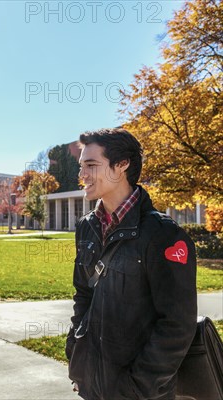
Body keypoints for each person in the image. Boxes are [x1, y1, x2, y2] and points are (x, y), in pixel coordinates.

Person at [66, 128, 197, 399]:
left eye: (91, 165)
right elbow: (83, 296)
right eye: (81, 166)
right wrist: (77, 362)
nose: (82, 175)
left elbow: (177, 324)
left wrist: (137, 388)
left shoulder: (164, 234)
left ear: (122, 165)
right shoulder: (86, 227)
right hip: (92, 386)